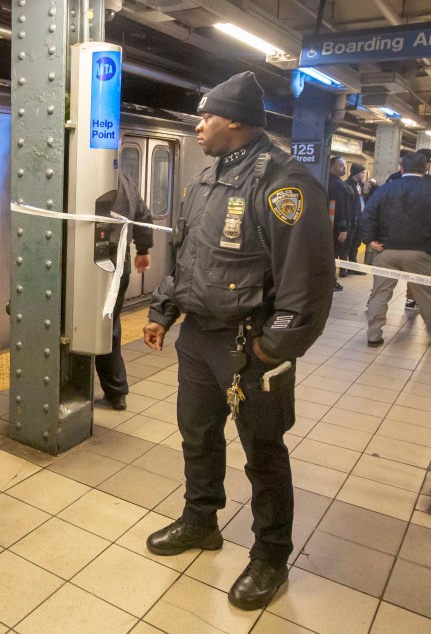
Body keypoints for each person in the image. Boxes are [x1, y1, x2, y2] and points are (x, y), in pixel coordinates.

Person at [142, 72, 335, 611]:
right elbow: (186, 257)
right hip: (199, 340)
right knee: (197, 436)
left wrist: (272, 349)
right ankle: (201, 520)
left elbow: (308, 285)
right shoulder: (205, 182)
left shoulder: (285, 185)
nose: (198, 125)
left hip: (250, 346)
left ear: (235, 121)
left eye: (206, 116)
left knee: (263, 453)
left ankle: (271, 555)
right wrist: (163, 310)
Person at [359, 151, 431, 347]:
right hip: (421, 253)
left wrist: (370, 240)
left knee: (380, 293)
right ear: (426, 168)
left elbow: (367, 215)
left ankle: (373, 335)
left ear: (401, 168)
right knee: (426, 295)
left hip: (386, 251)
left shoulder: (386, 189)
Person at [96, 171, 153, 411]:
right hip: (120, 263)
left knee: (78, 324)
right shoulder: (125, 179)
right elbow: (144, 215)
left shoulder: (89, 171)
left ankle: (71, 386)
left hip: (92, 261)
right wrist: (142, 249)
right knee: (109, 326)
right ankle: (117, 392)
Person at [326, 156, 351, 287]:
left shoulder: (326, 181)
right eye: (341, 165)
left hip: (328, 226)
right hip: (335, 228)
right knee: (333, 254)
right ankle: (331, 281)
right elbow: (338, 207)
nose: (344, 168)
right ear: (331, 167)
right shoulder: (337, 184)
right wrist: (343, 228)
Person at [342, 163, 366, 275]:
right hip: (351, 220)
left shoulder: (359, 185)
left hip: (360, 220)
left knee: (355, 245)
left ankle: (353, 267)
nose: (364, 175)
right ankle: (343, 269)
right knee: (346, 245)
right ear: (357, 173)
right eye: (362, 173)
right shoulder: (346, 185)